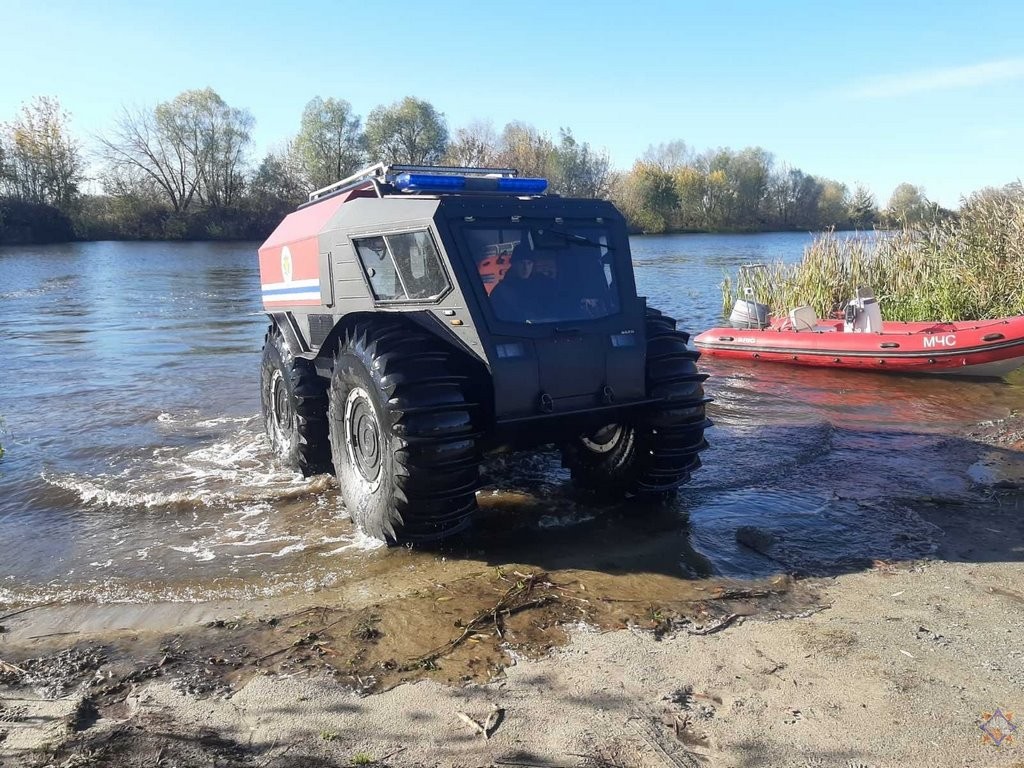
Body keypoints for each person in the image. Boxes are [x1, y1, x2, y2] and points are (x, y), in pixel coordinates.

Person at [488, 242, 559, 321]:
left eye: (529, 263)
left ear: (533, 264)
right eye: (522, 263)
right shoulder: (501, 291)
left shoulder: (544, 284)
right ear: (514, 264)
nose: (526, 268)